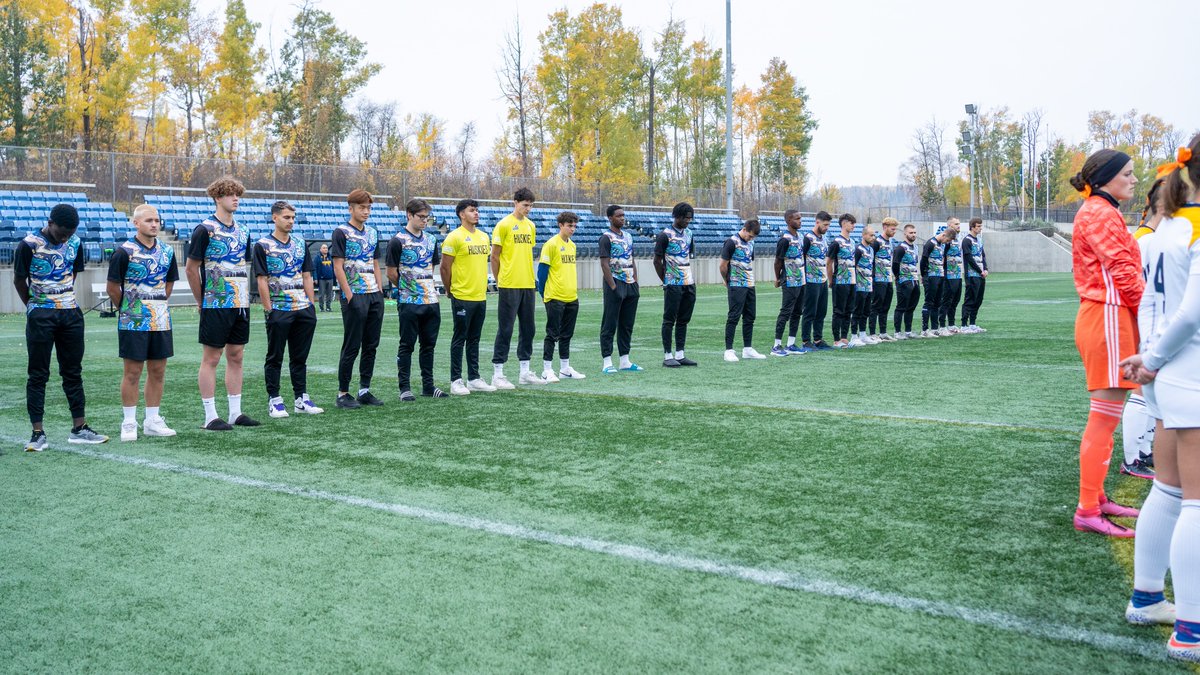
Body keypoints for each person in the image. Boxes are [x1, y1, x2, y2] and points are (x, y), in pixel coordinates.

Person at [1118, 137, 1200, 662]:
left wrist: (1149, 361)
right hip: (1189, 371)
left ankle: (1147, 596)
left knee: (1169, 493)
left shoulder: (1163, 227)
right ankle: (1191, 630)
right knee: (1195, 502)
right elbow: (1192, 313)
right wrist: (1153, 360)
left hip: (1170, 374)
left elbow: (1152, 302)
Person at [1069, 148, 1144, 537]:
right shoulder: (1099, 212)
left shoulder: (1102, 210)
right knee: (1103, 417)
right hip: (1107, 315)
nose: (1134, 179)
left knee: (1107, 416)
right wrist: (1151, 315)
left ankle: (1096, 497)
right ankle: (1087, 509)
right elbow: (1123, 270)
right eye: (1128, 174)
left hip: (1110, 315)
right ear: (1105, 178)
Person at [15, 203, 108, 450]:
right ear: (50, 223)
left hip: (70, 313)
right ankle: (37, 433)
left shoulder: (75, 244)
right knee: (38, 373)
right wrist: (35, 306)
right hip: (41, 314)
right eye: (61, 232)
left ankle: (79, 427)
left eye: (70, 232)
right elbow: (19, 279)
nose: (65, 237)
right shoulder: (28, 245)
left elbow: (73, 274)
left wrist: (62, 299)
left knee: (73, 372)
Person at [186, 176, 259, 430]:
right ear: (218, 198)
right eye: (230, 194)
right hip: (215, 303)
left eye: (238, 194)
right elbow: (191, 268)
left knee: (236, 355)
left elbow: (244, 266)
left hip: (240, 303)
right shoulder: (204, 229)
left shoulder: (244, 231)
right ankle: (210, 416)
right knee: (212, 358)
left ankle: (235, 413)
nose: (235, 198)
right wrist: (201, 300)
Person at [107, 204, 178, 441]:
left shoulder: (168, 252)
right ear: (136, 223)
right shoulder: (124, 252)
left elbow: (169, 284)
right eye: (149, 220)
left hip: (160, 318)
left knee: (158, 371)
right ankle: (129, 422)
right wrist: (128, 310)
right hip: (133, 320)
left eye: (157, 220)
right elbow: (113, 288)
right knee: (133, 372)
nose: (155, 224)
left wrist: (155, 303)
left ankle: (152, 420)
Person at [253, 200, 322, 418]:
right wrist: (269, 309)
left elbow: (307, 275)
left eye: (293, 218)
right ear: (275, 218)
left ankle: (301, 398)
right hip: (279, 308)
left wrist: (311, 305)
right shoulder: (262, 245)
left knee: (299, 357)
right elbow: (261, 279)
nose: (291, 221)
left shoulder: (300, 244)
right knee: (275, 356)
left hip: (303, 308)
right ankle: (274, 399)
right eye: (286, 217)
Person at [331, 189, 386, 409]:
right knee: (352, 344)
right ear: (351, 208)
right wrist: (349, 294)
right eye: (362, 207)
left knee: (371, 344)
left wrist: (380, 291)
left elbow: (374, 263)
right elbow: (338, 265)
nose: (366, 211)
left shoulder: (372, 233)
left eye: (369, 208)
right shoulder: (341, 232)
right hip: (355, 295)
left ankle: (364, 389)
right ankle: (343, 393)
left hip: (374, 294)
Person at [386, 198, 445, 401]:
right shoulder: (397, 241)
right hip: (409, 301)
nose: (424, 221)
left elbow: (432, 268)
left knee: (428, 345)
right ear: (409, 215)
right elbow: (391, 273)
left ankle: (428, 386)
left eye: (427, 217)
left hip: (431, 301)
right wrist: (408, 288)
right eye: (421, 217)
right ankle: (405, 388)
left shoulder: (431, 240)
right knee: (407, 345)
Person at [440, 199, 496, 395]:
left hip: (480, 296)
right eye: (472, 210)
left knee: (475, 339)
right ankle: (456, 380)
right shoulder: (454, 237)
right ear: (462, 214)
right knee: (459, 338)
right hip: (462, 296)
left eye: (477, 210)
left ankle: (474, 378)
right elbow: (445, 267)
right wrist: (450, 290)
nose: (476, 213)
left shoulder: (483, 237)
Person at [491, 187, 543, 387]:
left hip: (528, 284)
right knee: (506, 328)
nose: (528, 209)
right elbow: (495, 256)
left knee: (528, 328)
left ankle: (525, 371)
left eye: (530, 205)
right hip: (509, 284)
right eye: (525, 205)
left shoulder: (531, 226)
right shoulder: (503, 225)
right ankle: (498, 373)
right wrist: (500, 280)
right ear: (515, 202)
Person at [537, 212, 586, 381]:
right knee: (552, 334)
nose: (572, 229)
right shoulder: (550, 244)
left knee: (567, 334)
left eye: (574, 226)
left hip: (571, 297)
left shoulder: (572, 245)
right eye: (569, 225)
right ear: (560, 225)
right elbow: (542, 273)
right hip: (555, 297)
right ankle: (547, 369)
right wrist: (545, 294)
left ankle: (565, 368)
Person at [598, 204, 641, 373]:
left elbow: (631, 259)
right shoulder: (606, 238)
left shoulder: (629, 237)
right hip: (615, 283)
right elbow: (604, 263)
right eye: (618, 216)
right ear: (610, 218)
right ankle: (607, 362)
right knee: (609, 324)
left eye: (623, 215)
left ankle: (625, 360)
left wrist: (636, 281)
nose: (622, 218)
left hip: (631, 284)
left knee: (627, 324)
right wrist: (613, 286)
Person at [654, 202, 698, 366]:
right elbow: (657, 261)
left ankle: (680, 354)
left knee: (684, 319)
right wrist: (665, 280)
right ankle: (667, 356)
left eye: (690, 218)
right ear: (677, 216)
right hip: (673, 283)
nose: (688, 221)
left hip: (689, 282)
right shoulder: (665, 235)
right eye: (686, 218)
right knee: (669, 319)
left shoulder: (689, 234)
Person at [720, 219, 765, 361]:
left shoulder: (751, 243)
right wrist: (727, 280)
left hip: (749, 283)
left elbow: (748, 261)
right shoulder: (731, 242)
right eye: (749, 235)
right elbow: (723, 265)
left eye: (753, 237)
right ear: (744, 229)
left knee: (750, 316)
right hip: (736, 284)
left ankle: (747, 349)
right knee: (734, 316)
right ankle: (728, 350)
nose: (750, 239)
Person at [771, 209, 806, 356]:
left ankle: (791, 344)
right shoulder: (784, 239)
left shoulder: (801, 237)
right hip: (789, 280)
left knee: (797, 312)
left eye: (800, 218)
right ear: (788, 221)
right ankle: (776, 345)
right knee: (786, 311)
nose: (800, 221)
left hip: (801, 279)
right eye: (797, 219)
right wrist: (778, 278)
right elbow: (778, 261)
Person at [800, 211, 833, 351]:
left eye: (828, 225)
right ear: (817, 222)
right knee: (809, 311)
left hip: (822, 279)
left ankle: (818, 339)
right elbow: (801, 257)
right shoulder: (807, 238)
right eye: (825, 225)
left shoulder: (824, 239)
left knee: (821, 311)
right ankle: (806, 340)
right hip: (810, 280)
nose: (826, 228)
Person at [827, 213, 858, 348]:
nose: (853, 226)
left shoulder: (852, 242)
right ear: (844, 223)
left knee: (848, 310)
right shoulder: (836, 242)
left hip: (852, 281)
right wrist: (831, 280)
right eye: (851, 223)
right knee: (838, 311)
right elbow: (829, 262)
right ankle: (836, 339)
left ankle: (844, 338)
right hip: (840, 281)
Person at [919, 225, 952, 338]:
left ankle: (934, 328)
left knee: (937, 303)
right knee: (929, 302)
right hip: (931, 276)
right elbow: (923, 260)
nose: (946, 242)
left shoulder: (940, 245)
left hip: (940, 276)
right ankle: (924, 329)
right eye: (946, 240)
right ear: (943, 235)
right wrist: (924, 275)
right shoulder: (930, 243)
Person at [870, 217, 898, 342]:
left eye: (895, 229)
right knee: (875, 306)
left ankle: (883, 332)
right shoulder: (876, 242)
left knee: (885, 306)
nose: (894, 231)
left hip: (888, 279)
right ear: (885, 227)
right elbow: (870, 260)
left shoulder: (890, 242)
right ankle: (872, 333)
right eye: (892, 229)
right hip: (878, 279)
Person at [892, 223, 922, 339]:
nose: (913, 235)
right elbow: (895, 264)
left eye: (914, 233)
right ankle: (897, 332)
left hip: (915, 280)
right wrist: (899, 278)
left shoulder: (915, 247)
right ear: (905, 233)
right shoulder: (900, 248)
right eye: (911, 233)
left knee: (911, 307)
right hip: (904, 281)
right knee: (901, 306)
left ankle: (908, 331)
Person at [961, 217, 989, 333]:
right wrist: (979, 270)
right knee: (970, 299)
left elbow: (983, 256)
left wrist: (986, 269)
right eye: (978, 226)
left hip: (981, 275)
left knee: (978, 299)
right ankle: (964, 325)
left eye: (981, 226)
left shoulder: (979, 240)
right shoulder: (967, 240)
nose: (980, 228)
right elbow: (969, 258)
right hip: (972, 275)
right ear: (972, 227)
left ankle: (972, 323)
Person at [851, 226, 877, 346]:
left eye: (874, 235)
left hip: (868, 284)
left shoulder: (871, 250)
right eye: (871, 235)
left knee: (866, 310)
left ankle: (862, 334)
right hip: (859, 285)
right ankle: (853, 335)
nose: (873, 237)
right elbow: (853, 266)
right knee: (857, 310)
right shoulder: (858, 249)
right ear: (864, 235)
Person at [940, 218, 964, 334]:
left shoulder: (957, 239)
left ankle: (951, 324)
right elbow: (942, 257)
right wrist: (944, 274)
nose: (959, 226)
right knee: (946, 301)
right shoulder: (947, 241)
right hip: (949, 276)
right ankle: (942, 325)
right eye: (956, 224)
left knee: (955, 300)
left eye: (959, 224)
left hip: (958, 275)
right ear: (949, 225)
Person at [314, 243, 335, 312]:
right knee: (321, 294)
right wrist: (315, 278)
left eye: (326, 248)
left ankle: (328, 307)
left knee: (329, 294)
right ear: (320, 249)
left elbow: (334, 267)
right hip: (321, 279)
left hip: (330, 278)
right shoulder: (317, 257)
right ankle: (321, 308)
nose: (325, 249)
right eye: (324, 248)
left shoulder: (330, 257)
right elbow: (314, 268)